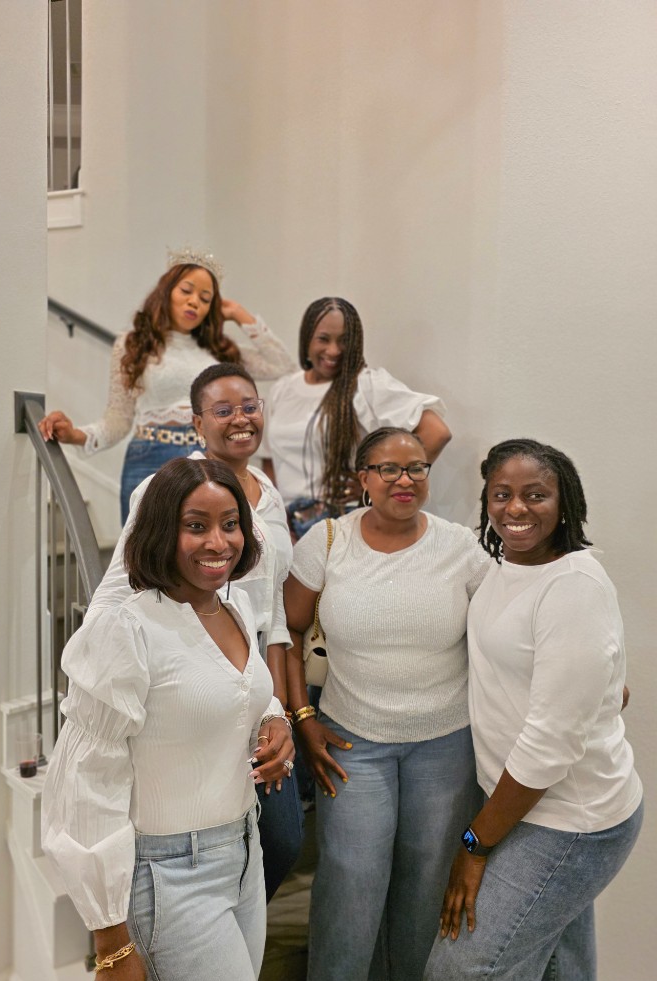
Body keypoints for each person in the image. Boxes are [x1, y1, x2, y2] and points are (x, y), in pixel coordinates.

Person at [41, 457, 295, 981]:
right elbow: (84, 787)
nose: (219, 541)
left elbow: (237, 694)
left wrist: (275, 720)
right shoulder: (126, 629)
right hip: (168, 879)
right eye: (196, 524)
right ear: (159, 530)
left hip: (243, 855)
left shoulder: (234, 606)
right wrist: (112, 947)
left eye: (230, 523)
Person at [412, 439, 643, 981]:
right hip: (526, 806)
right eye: (502, 495)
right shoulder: (507, 568)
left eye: (535, 495)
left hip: (572, 820)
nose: (517, 509)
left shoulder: (572, 585)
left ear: (564, 503)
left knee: (466, 973)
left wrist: (475, 845)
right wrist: (603, 690)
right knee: (555, 976)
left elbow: (549, 746)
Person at [284, 427, 490, 981]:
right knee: (349, 888)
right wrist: (303, 719)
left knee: (427, 891)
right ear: (363, 478)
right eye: (390, 469)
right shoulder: (325, 542)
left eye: (417, 468)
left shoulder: (462, 548)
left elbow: (502, 635)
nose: (405, 480)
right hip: (353, 741)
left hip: (446, 744)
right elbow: (289, 632)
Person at [89, 362, 303, 901]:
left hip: (252, 685)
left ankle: (224, 935)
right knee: (197, 831)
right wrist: (93, 673)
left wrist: (279, 708)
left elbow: (272, 615)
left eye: (249, 406)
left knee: (280, 839)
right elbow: (119, 588)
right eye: (223, 410)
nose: (240, 419)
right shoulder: (169, 487)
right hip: (187, 687)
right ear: (197, 422)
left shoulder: (269, 496)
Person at [38, 247, 293, 523]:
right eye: (187, 291)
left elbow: (283, 365)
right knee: (145, 554)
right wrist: (76, 434)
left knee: (207, 548)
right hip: (149, 456)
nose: (195, 302)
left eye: (205, 298)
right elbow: (118, 418)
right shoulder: (133, 343)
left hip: (212, 455)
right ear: (167, 291)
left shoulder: (221, 350)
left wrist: (239, 314)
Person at [260, 297, 451, 537]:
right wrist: (276, 520)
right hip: (286, 526)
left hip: (341, 524)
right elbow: (269, 462)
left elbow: (436, 432)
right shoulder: (282, 389)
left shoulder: (366, 385)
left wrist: (382, 482)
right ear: (307, 338)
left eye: (344, 341)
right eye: (323, 339)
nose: (334, 350)